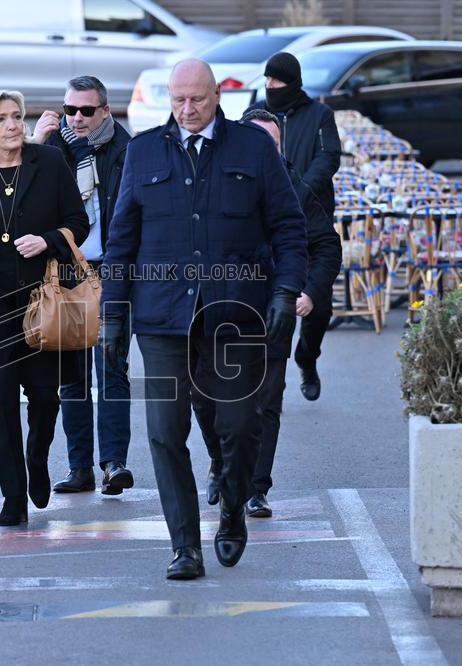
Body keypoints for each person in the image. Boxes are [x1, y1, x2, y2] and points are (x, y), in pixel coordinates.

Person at [100, 60, 307, 580]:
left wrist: (284, 292)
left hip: (235, 313)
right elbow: (122, 239)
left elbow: (288, 227)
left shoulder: (253, 148)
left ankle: (233, 504)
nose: (188, 111)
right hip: (161, 318)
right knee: (166, 434)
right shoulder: (144, 151)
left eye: (197, 99)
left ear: (218, 95)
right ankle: (185, 546)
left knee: (240, 424)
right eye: (178, 101)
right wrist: (113, 318)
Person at [0, 90, 89, 526]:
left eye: (16, 117)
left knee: (45, 398)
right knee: (0, 404)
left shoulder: (49, 164)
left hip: (43, 301)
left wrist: (48, 240)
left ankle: (38, 456)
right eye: (2, 119)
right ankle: (13, 496)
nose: (12, 125)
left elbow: (79, 221)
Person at [193, 108, 341, 519]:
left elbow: (326, 245)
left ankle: (256, 488)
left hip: (275, 306)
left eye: (272, 145)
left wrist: (309, 291)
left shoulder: (293, 187)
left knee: (264, 402)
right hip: (219, 306)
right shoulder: (212, 178)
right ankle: (220, 462)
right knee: (206, 397)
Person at [31, 75, 134, 495]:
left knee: (110, 369)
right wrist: (36, 143)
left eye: (87, 111)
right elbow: (24, 196)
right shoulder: (52, 150)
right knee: (72, 375)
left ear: (105, 111)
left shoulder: (127, 150)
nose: (77, 118)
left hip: (109, 270)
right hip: (67, 271)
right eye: (70, 109)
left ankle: (113, 462)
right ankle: (80, 467)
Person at [248, 51, 341, 402]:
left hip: (310, 210)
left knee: (318, 306)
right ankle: (275, 382)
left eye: (276, 80)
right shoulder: (260, 113)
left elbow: (329, 156)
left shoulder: (319, 115)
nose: (269, 86)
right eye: (267, 80)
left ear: (292, 82)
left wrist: (299, 189)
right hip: (270, 217)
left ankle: (307, 356)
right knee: (277, 300)